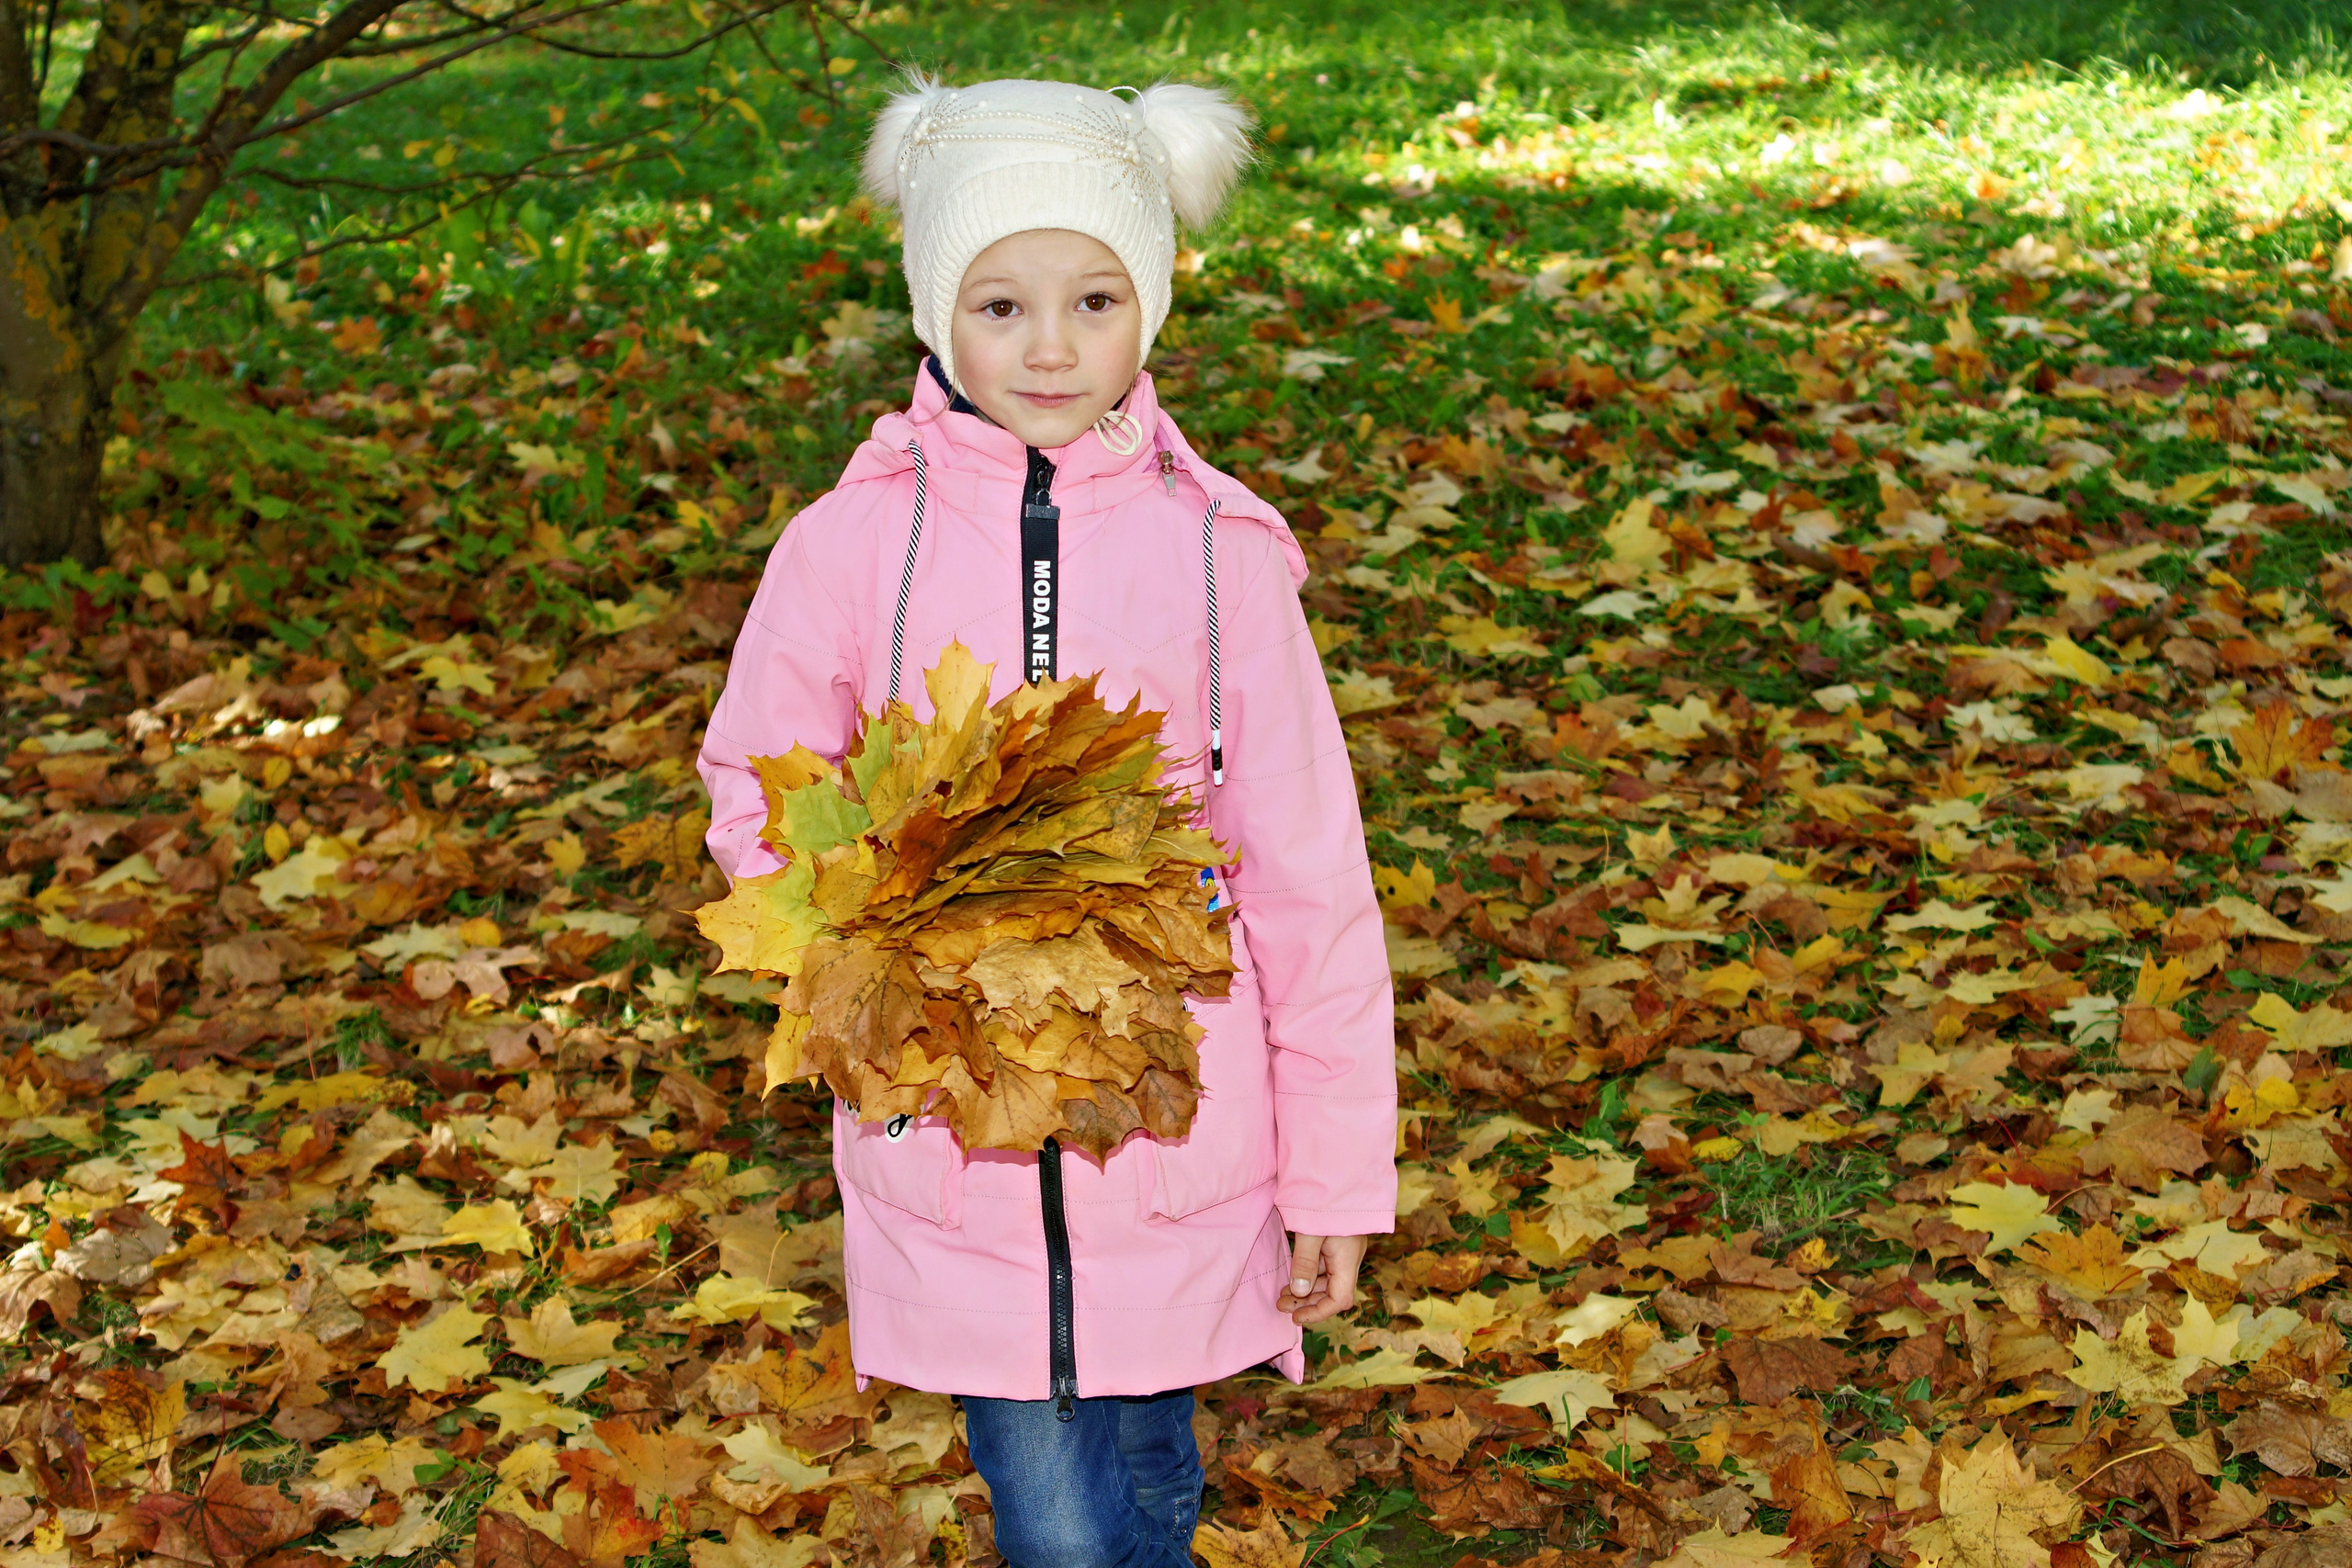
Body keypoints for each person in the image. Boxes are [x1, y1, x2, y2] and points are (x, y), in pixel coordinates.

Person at [696, 73, 1396, 1568]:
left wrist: (1338, 1173)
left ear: (1151, 306)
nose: (1052, 345)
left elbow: (1308, 876)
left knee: (1149, 1451)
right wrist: (873, 933)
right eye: (1000, 304)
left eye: (1095, 297)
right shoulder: (848, 545)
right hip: (950, 1127)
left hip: (1179, 1123)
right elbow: (760, 781)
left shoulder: (1219, 552)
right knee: (1059, 1513)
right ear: (933, 309)